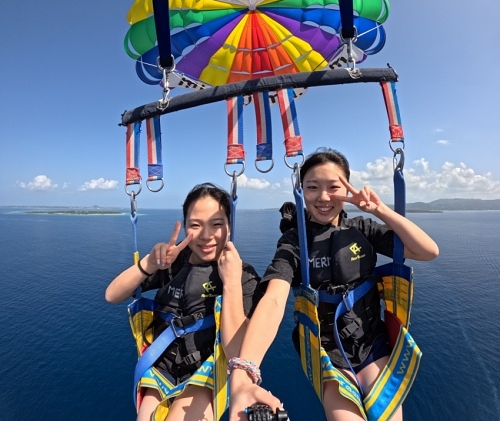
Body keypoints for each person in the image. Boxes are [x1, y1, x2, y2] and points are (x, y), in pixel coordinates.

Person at [228, 148, 439, 421]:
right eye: (312, 187)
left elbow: (428, 251)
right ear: (301, 191)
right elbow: (275, 297)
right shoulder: (295, 242)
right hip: (326, 354)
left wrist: (380, 209)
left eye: (333, 187)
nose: (324, 197)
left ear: (347, 188)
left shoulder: (362, 229)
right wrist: (244, 370)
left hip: (373, 343)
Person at [105, 183, 261, 421]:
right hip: (160, 366)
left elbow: (236, 353)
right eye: (195, 225)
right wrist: (150, 263)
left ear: (229, 227)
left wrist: (231, 282)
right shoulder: (172, 264)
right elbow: (112, 295)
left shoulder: (242, 275)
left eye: (216, 224)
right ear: (185, 226)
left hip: (207, 371)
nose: (206, 235)